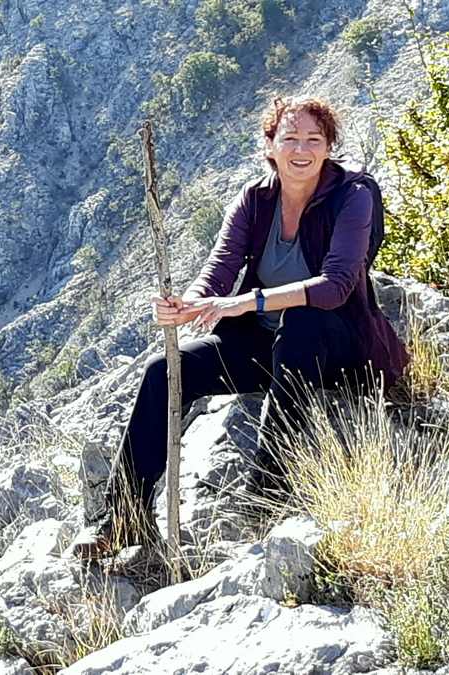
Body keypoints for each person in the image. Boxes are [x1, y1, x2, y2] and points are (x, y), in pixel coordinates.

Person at [71, 96, 410, 560]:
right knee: (163, 370)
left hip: (340, 346)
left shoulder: (354, 196)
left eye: (314, 139)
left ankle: (268, 492)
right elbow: (220, 268)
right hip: (266, 345)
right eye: (288, 138)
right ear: (269, 146)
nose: (301, 150)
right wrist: (185, 306)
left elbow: (335, 287)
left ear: (330, 146)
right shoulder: (256, 199)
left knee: (304, 323)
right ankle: (123, 515)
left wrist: (244, 302)